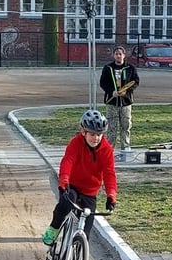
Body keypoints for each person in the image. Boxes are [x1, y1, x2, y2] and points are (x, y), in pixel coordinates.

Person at [41, 109, 117, 245]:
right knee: (65, 203)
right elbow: (67, 161)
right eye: (92, 134)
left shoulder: (107, 150)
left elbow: (109, 174)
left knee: (85, 235)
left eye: (99, 134)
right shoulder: (76, 143)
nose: (96, 138)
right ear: (84, 132)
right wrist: (64, 181)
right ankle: (54, 229)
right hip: (72, 186)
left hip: (90, 193)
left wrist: (111, 195)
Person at [99, 45, 139, 153]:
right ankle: (109, 149)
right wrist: (112, 91)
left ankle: (125, 147)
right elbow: (103, 83)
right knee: (111, 126)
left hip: (126, 102)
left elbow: (135, 82)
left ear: (124, 55)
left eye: (120, 54)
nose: (118, 55)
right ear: (113, 55)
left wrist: (127, 91)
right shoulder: (108, 68)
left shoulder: (130, 68)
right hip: (111, 102)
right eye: (116, 54)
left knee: (126, 125)